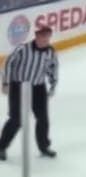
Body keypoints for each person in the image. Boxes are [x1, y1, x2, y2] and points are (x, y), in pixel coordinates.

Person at [0, 25, 59, 160]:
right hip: (18, 86)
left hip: (38, 87)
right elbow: (8, 64)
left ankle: (44, 147)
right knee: (16, 119)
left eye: (47, 37)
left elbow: (53, 69)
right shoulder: (22, 49)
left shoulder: (50, 52)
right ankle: (1, 146)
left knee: (43, 119)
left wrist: (52, 86)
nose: (45, 39)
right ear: (36, 36)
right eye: (42, 36)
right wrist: (5, 83)